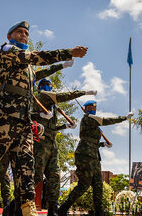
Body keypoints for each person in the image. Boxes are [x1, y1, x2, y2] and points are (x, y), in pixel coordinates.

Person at [0, 20, 88, 216]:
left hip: (24, 120)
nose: (24, 35)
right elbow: (36, 57)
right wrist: (68, 52)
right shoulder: (8, 50)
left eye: (26, 33)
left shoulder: (28, 67)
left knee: (26, 166)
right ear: (9, 36)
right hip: (2, 118)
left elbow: (39, 70)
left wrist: (61, 66)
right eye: (19, 32)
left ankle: (28, 209)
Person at [30, 78, 96, 216]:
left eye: (49, 85)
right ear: (39, 88)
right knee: (35, 176)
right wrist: (84, 92)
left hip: (52, 144)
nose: (47, 87)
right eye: (44, 85)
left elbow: (52, 127)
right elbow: (28, 118)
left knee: (54, 175)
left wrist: (65, 126)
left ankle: (53, 208)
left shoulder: (53, 106)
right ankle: (16, 205)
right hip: (39, 143)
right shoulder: (39, 98)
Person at [58, 100, 133, 216]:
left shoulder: (93, 123)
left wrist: (103, 144)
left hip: (94, 156)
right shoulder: (88, 119)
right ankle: (63, 209)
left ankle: (99, 212)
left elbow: (93, 142)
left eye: (94, 108)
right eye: (90, 108)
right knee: (84, 184)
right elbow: (105, 120)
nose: (93, 109)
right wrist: (123, 118)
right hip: (84, 155)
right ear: (86, 109)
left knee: (98, 185)